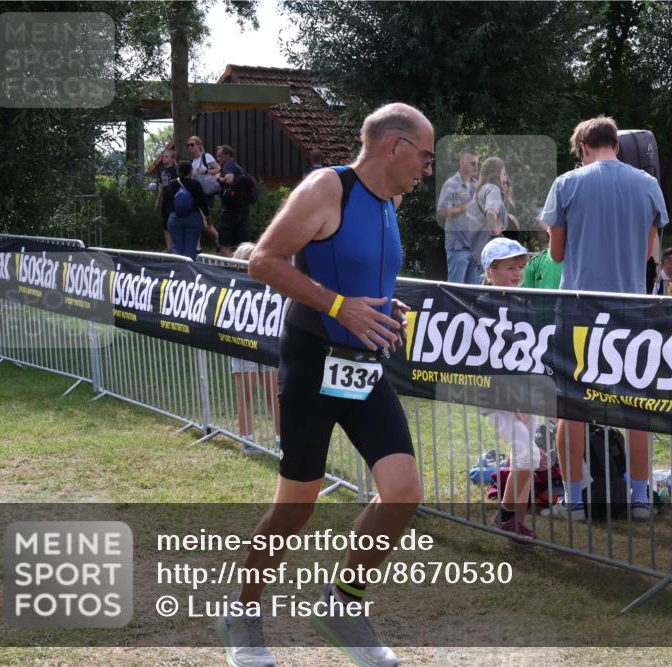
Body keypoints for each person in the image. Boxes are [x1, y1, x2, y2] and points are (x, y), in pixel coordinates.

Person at [220, 103, 433, 667]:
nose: (427, 167)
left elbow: (366, 274)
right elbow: (263, 261)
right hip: (314, 360)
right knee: (296, 505)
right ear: (394, 146)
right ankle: (241, 611)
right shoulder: (327, 188)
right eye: (425, 154)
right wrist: (342, 307)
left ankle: (341, 604)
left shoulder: (392, 200)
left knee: (404, 492)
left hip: (364, 365)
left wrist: (387, 311)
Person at [542, 115, 668, 521]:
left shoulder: (567, 183)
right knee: (637, 405)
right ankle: (640, 498)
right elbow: (650, 251)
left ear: (582, 149)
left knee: (571, 406)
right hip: (631, 308)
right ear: (616, 144)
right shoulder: (648, 185)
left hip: (578, 309)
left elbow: (557, 255)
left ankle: (575, 499)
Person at [479, 237, 549, 549]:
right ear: (490, 271)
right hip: (497, 397)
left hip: (526, 391)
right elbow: (488, 359)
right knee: (528, 455)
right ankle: (505, 517)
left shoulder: (522, 300)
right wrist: (513, 398)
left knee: (526, 458)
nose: (518, 272)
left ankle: (515, 525)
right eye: (509, 267)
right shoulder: (480, 305)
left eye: (520, 266)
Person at [230, 242, 281, 454]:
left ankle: (282, 439)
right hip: (243, 346)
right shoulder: (233, 288)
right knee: (246, 394)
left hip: (266, 346)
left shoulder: (269, 287)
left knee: (275, 394)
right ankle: (248, 440)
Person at [436, 149, 481, 284]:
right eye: (472, 163)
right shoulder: (451, 184)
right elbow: (442, 211)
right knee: (456, 289)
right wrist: (465, 207)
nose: (476, 166)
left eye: (477, 163)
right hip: (458, 245)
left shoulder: (477, 185)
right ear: (461, 163)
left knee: (473, 292)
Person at [165, 160, 210, 260]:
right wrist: (206, 216)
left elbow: (168, 200)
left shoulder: (172, 184)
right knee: (190, 248)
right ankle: (188, 272)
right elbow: (202, 202)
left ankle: (176, 271)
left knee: (176, 247)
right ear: (190, 171)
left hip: (175, 218)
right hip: (193, 218)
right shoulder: (196, 184)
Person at [215, 145, 251, 256]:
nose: (218, 159)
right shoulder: (238, 168)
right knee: (239, 241)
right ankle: (240, 266)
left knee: (223, 241)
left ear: (227, 155)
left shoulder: (228, 165)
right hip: (243, 208)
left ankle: (228, 266)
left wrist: (218, 178)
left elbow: (229, 179)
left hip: (230, 209)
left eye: (220, 156)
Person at [188, 135, 220, 211]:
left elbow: (218, 169)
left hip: (208, 194)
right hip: (198, 195)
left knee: (208, 217)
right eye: (188, 145)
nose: (190, 147)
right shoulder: (193, 162)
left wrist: (205, 171)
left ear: (198, 145)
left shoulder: (206, 156)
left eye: (192, 144)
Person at [154, 148, 176, 252]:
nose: (163, 158)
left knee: (174, 222)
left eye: (166, 157)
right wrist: (157, 200)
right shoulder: (162, 171)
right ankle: (168, 247)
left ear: (172, 159)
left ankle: (176, 246)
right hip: (165, 199)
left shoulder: (176, 170)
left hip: (175, 199)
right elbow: (161, 186)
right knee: (165, 222)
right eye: (163, 156)